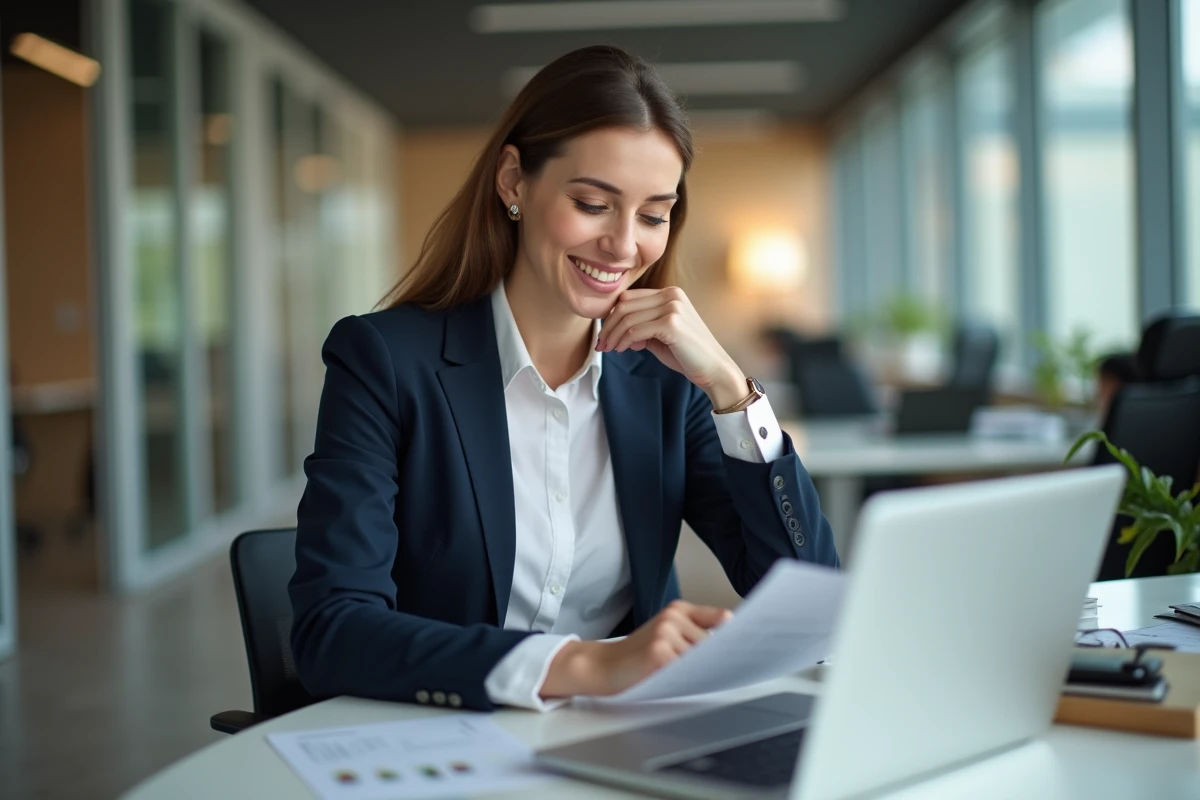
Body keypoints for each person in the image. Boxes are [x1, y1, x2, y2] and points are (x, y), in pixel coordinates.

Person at [288, 45, 838, 713]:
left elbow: (808, 599)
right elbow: (332, 633)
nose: (623, 245)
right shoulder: (383, 361)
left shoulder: (665, 382)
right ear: (514, 181)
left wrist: (730, 388)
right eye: (592, 203)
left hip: (623, 744)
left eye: (653, 214)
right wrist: (585, 664)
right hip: (446, 739)